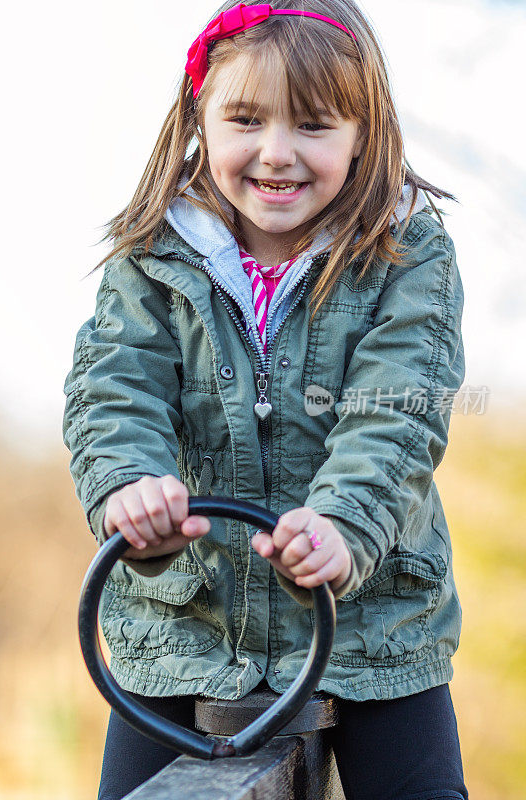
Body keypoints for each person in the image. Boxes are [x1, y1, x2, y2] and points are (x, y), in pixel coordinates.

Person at [62, 2, 468, 798]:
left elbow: (398, 412)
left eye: (314, 125)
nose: (276, 154)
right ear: (200, 118)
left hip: (375, 629)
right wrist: (129, 493)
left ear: (366, 132)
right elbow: (114, 388)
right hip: (186, 624)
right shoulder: (152, 254)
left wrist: (343, 527)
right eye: (245, 118)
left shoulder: (407, 248)